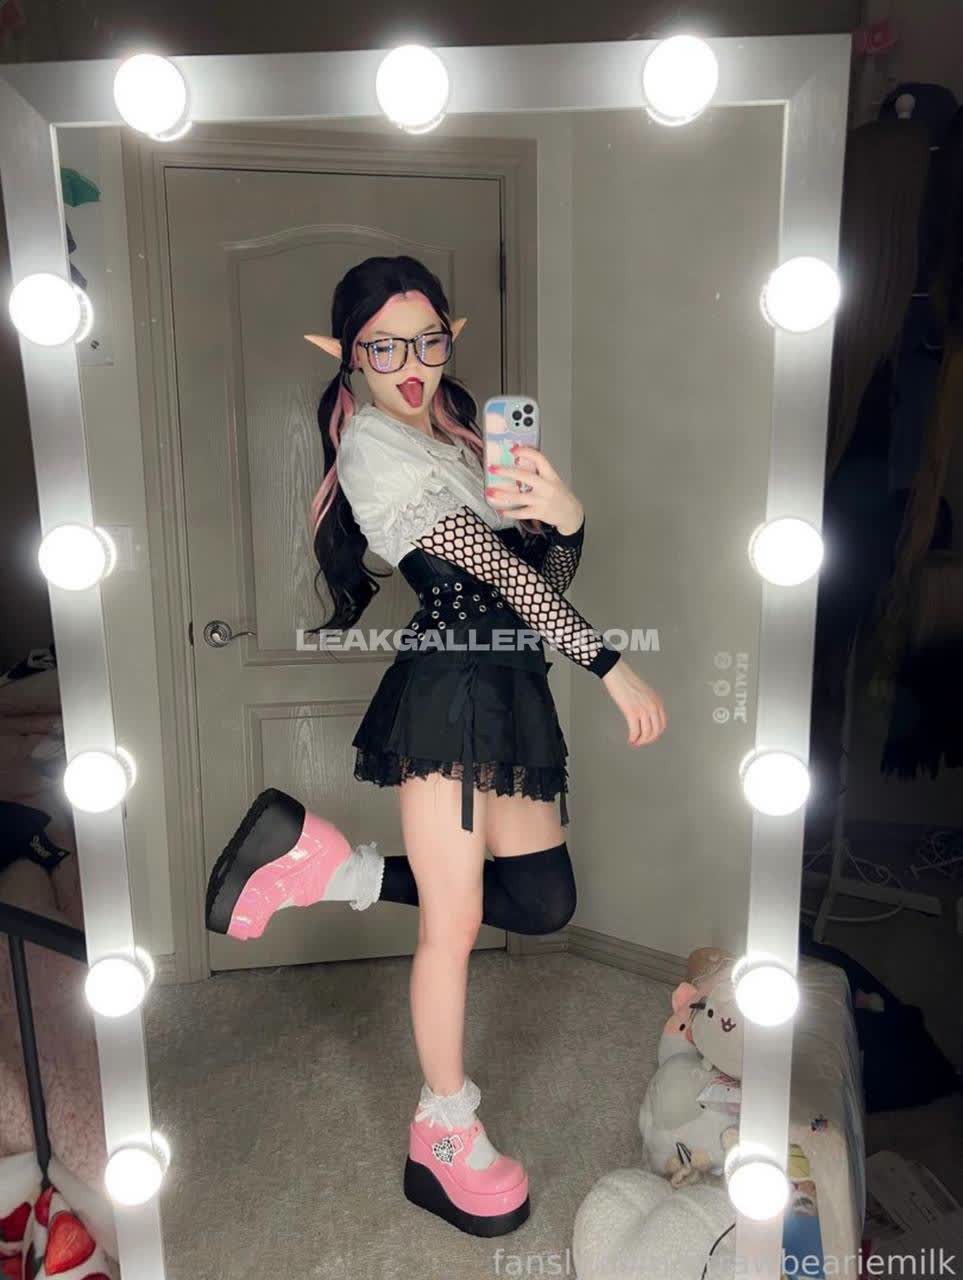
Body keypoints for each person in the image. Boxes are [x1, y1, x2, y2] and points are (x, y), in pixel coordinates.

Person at [204, 255, 667, 1237]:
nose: (409, 365)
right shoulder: (374, 448)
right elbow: (498, 573)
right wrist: (611, 663)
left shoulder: (458, 439)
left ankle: (330, 868)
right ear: (348, 356)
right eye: (383, 347)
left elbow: (539, 573)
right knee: (451, 924)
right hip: (450, 689)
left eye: (425, 341)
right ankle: (443, 1128)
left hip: (509, 686)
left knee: (542, 899)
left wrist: (569, 519)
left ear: (448, 337)